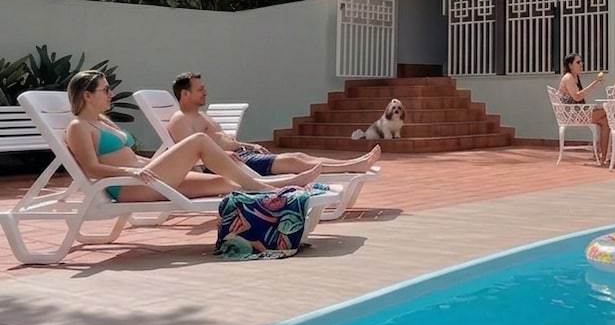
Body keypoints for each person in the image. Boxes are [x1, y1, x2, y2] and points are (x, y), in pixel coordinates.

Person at [63, 69, 320, 203]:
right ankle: (265, 186)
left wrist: (151, 165)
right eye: (106, 90)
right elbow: (92, 169)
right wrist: (132, 172)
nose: (111, 94)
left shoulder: (102, 123)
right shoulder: (78, 127)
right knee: (198, 141)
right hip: (130, 187)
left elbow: (130, 158)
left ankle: (284, 184)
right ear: (87, 95)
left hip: (146, 176)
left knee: (224, 182)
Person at [167, 72, 381, 176]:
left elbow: (221, 140)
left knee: (299, 156)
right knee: (292, 162)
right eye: (200, 89)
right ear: (185, 94)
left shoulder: (203, 116)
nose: (206, 92)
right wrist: (224, 157)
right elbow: (192, 155)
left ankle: (351, 163)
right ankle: (352, 168)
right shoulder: (180, 120)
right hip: (227, 165)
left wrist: (249, 146)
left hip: (241, 155)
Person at [557, 53, 609, 160]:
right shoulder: (568, 77)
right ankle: (602, 153)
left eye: (581, 62)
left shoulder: (575, 77)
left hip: (578, 112)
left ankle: (603, 156)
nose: (581, 64)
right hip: (572, 115)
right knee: (608, 109)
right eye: (578, 62)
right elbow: (577, 97)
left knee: (605, 122)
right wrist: (594, 85)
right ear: (570, 65)